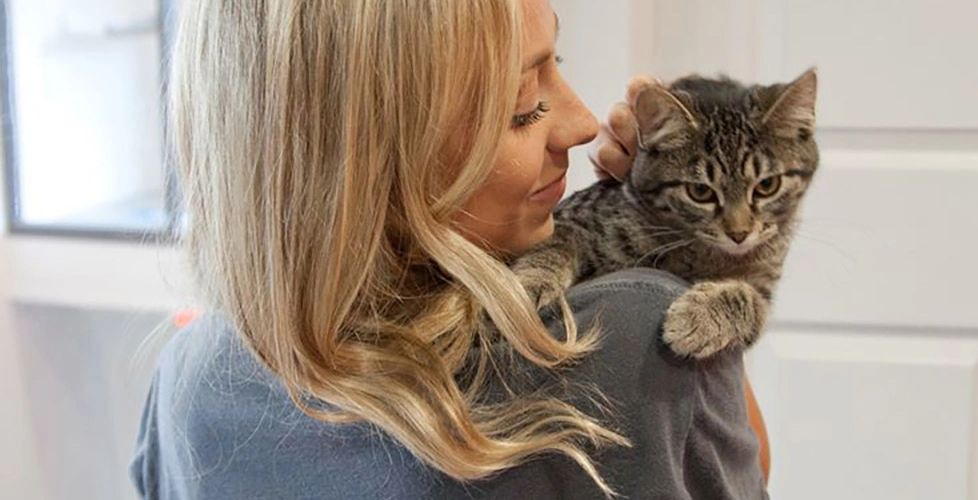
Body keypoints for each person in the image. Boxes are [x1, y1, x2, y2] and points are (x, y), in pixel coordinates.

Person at [131, 0, 770, 498]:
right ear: (368, 166)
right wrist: (665, 245)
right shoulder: (629, 338)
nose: (581, 124)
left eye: (557, 62)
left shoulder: (186, 379)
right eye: (523, 107)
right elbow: (747, 469)